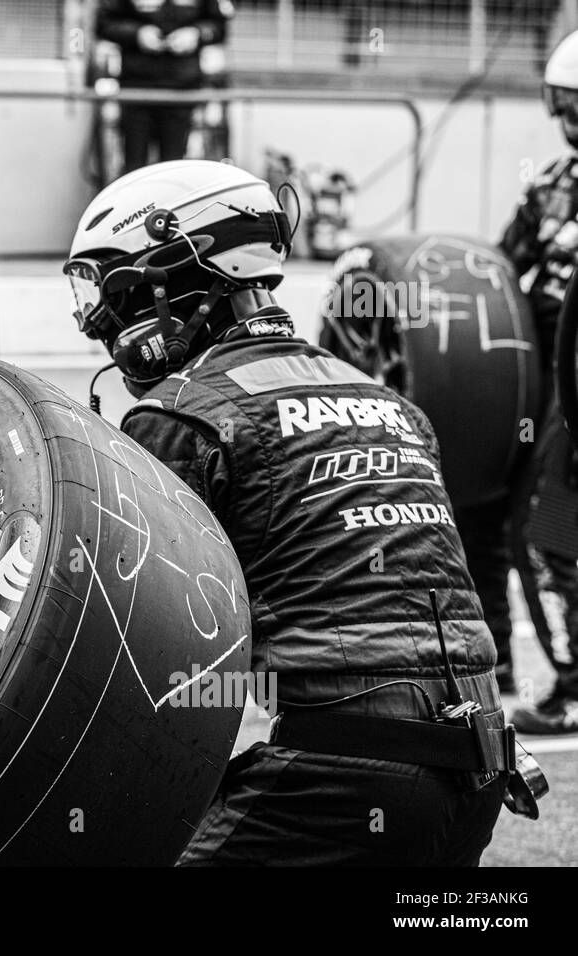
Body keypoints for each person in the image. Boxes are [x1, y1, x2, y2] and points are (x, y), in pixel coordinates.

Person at [66, 160, 510, 865]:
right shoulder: (393, 405)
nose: (104, 325)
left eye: (117, 297)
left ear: (179, 277)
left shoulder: (182, 416)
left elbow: (124, 644)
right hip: (481, 769)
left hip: (337, 777)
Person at [498, 29, 578, 734]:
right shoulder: (551, 185)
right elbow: (498, 271)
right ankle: (566, 677)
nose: (570, 121)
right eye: (565, 106)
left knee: (545, 529)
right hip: (552, 378)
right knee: (535, 525)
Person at [95, 0, 232, 170]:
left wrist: (197, 34)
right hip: (137, 91)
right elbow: (103, 24)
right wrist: (137, 34)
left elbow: (219, 26)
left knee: (173, 166)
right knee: (134, 167)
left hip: (181, 91)